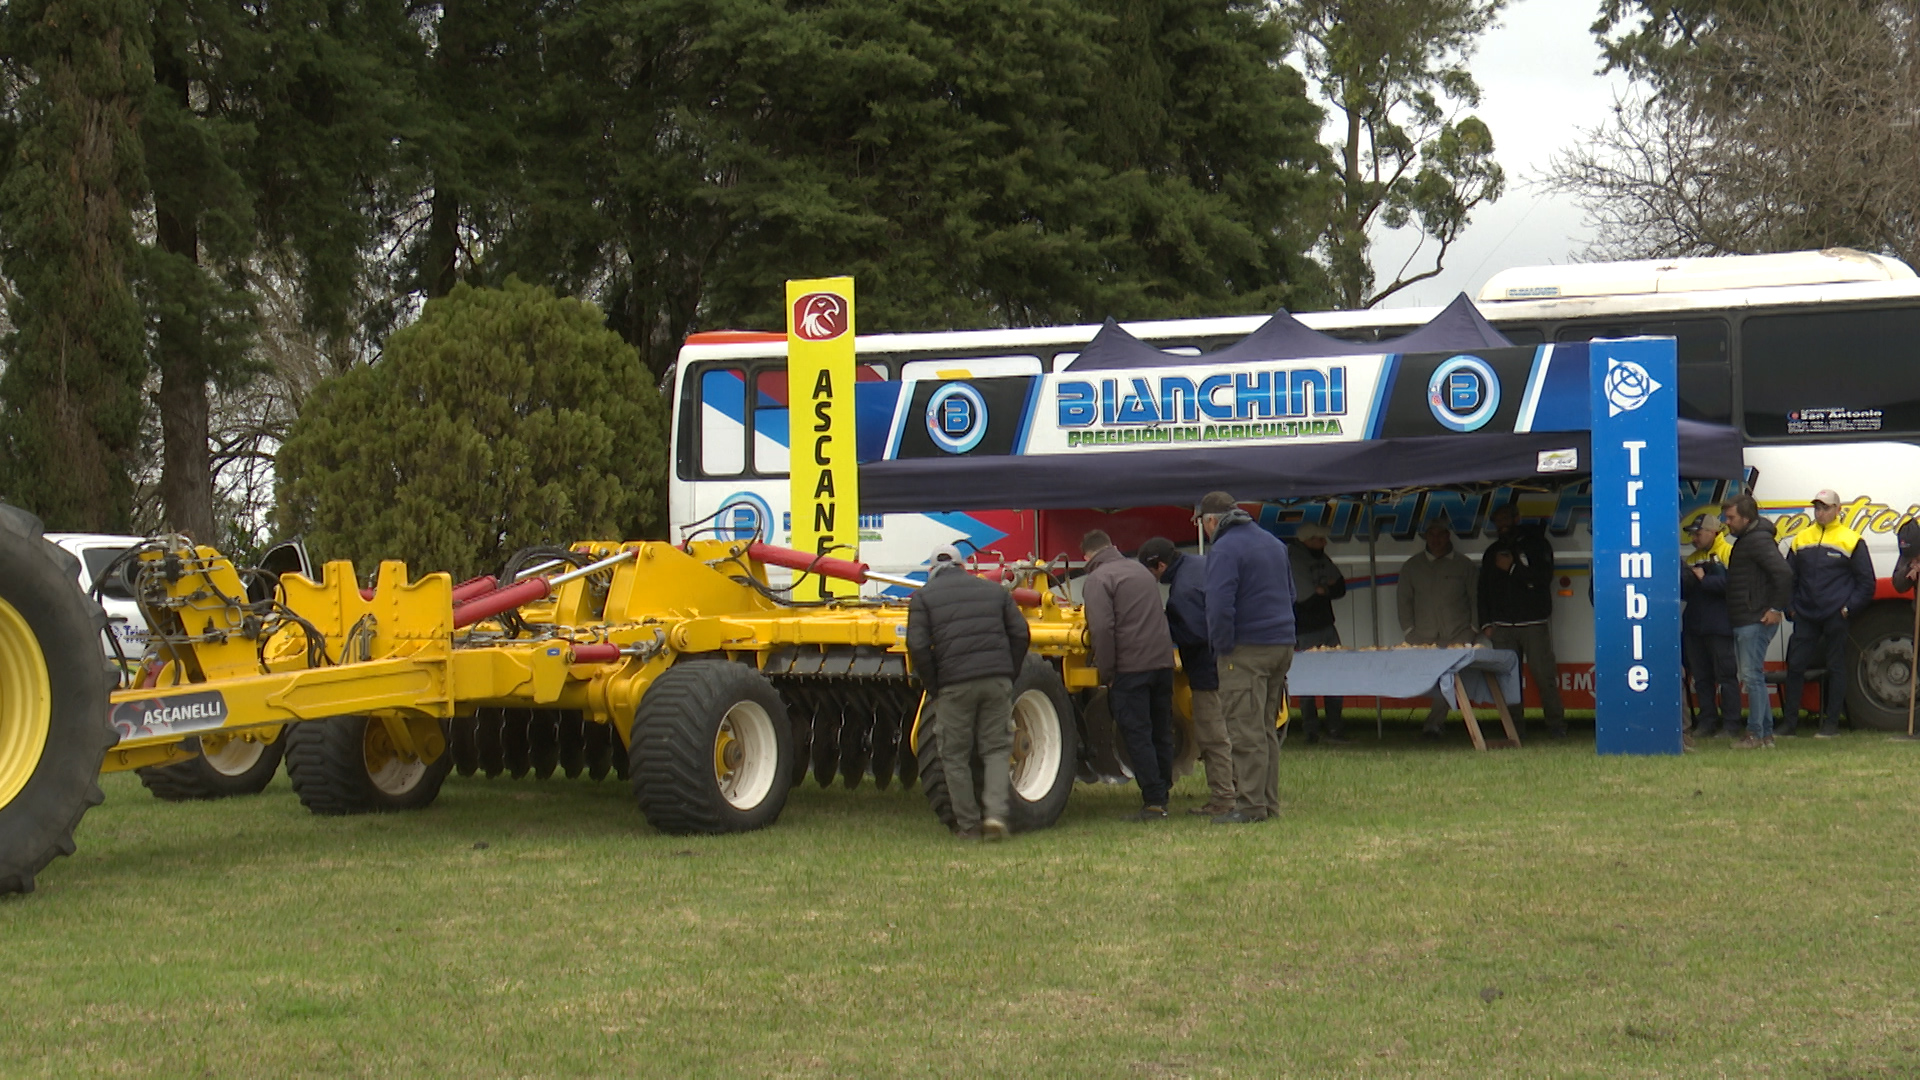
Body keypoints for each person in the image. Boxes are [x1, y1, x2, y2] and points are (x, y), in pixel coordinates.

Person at [905, 544, 1030, 839]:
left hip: (954, 685)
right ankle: (996, 816)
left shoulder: (923, 597)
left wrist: (935, 685)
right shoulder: (995, 591)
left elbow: (917, 646)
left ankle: (969, 825)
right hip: (996, 680)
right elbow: (1021, 633)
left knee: (954, 755)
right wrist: (1007, 672)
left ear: (931, 571)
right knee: (996, 749)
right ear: (963, 566)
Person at [1198, 491, 1295, 825]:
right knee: (1265, 728)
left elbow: (1218, 605)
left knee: (1245, 730)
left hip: (1247, 648)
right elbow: (1291, 593)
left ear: (1211, 521)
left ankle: (1251, 807)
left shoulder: (1225, 549)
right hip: (1281, 644)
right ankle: (1268, 803)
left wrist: (1221, 647)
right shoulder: (1273, 543)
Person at [1080, 530, 1178, 821]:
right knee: (1161, 729)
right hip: (1162, 663)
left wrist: (1106, 672)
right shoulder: (1141, 572)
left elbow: (1101, 629)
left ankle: (1154, 801)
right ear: (1112, 546)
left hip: (1130, 668)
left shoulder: (1098, 580)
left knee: (1137, 734)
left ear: (1087, 556)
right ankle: (1163, 788)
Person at [1138, 537, 1233, 816]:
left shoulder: (1183, 591)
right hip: (1232, 663)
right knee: (1235, 731)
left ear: (1160, 565)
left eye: (1150, 572)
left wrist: (1162, 627)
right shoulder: (1201, 564)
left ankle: (1224, 798)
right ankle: (1246, 789)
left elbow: (1194, 633)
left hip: (1207, 670)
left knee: (1212, 737)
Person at [1780, 490, 1876, 738]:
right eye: (1817, 508)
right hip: (1805, 615)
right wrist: (1791, 607)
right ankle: (1789, 724)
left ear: (1837, 509)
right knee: (1796, 666)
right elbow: (1789, 578)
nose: (1820, 512)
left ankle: (1831, 724)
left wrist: (1848, 609)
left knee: (1836, 667)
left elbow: (1867, 583)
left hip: (1835, 614)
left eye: (1825, 508)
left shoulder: (1852, 540)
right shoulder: (1800, 539)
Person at [1478, 504, 1567, 738]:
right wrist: (1486, 623)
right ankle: (1513, 729)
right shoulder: (1492, 552)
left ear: (1517, 518)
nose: (1502, 524)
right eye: (1498, 520)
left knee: (1544, 675)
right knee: (1508, 680)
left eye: (1506, 518)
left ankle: (1556, 725)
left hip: (1533, 624)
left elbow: (1543, 578)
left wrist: (1513, 568)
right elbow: (1483, 590)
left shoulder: (1537, 545)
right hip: (1502, 628)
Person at [1721, 495, 1794, 749]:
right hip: (1749, 616)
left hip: (1754, 617)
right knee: (1754, 676)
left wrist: (1776, 608)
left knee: (1752, 677)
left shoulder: (1757, 540)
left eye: (1731, 517)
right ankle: (1765, 735)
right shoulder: (1750, 539)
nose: (1727, 522)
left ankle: (1755, 733)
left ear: (1746, 518)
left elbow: (1784, 573)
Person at [1397, 521, 1479, 737]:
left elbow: (1476, 599)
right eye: (1431, 534)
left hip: (1457, 635)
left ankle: (1434, 724)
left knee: (1449, 678)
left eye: (1440, 534)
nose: (1436, 539)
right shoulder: (1412, 566)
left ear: (1448, 536)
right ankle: (1435, 722)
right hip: (1423, 637)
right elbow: (1404, 601)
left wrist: (1472, 630)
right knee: (1432, 680)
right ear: (1425, 537)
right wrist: (1409, 632)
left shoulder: (1464, 565)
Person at [1286, 522, 1349, 744]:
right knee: (1308, 681)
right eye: (1320, 539)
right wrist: (1324, 590)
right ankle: (1311, 731)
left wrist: (1324, 590)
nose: (1324, 543)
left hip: (1327, 626)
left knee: (1335, 676)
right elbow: (1307, 599)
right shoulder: (1294, 560)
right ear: (1307, 540)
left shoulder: (1321, 557)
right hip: (1304, 629)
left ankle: (1335, 727)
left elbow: (1341, 587)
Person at [1681, 514, 1742, 738]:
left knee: (1726, 677)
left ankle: (1731, 724)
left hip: (1720, 626)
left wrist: (1704, 579)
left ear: (1713, 532)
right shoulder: (1692, 558)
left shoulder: (1729, 552)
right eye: (1692, 535)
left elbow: (1736, 585)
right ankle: (1707, 722)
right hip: (1695, 627)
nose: (1693, 539)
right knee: (1701, 678)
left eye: (1697, 534)